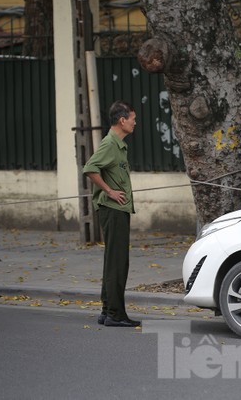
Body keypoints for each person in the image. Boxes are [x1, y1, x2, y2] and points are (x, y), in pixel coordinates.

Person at [82, 100, 140, 327]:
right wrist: (110, 191)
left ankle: (107, 310)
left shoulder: (118, 145)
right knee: (118, 263)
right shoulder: (110, 144)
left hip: (116, 210)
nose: (135, 123)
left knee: (113, 262)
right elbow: (90, 168)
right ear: (122, 120)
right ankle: (116, 314)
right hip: (113, 210)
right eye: (133, 119)